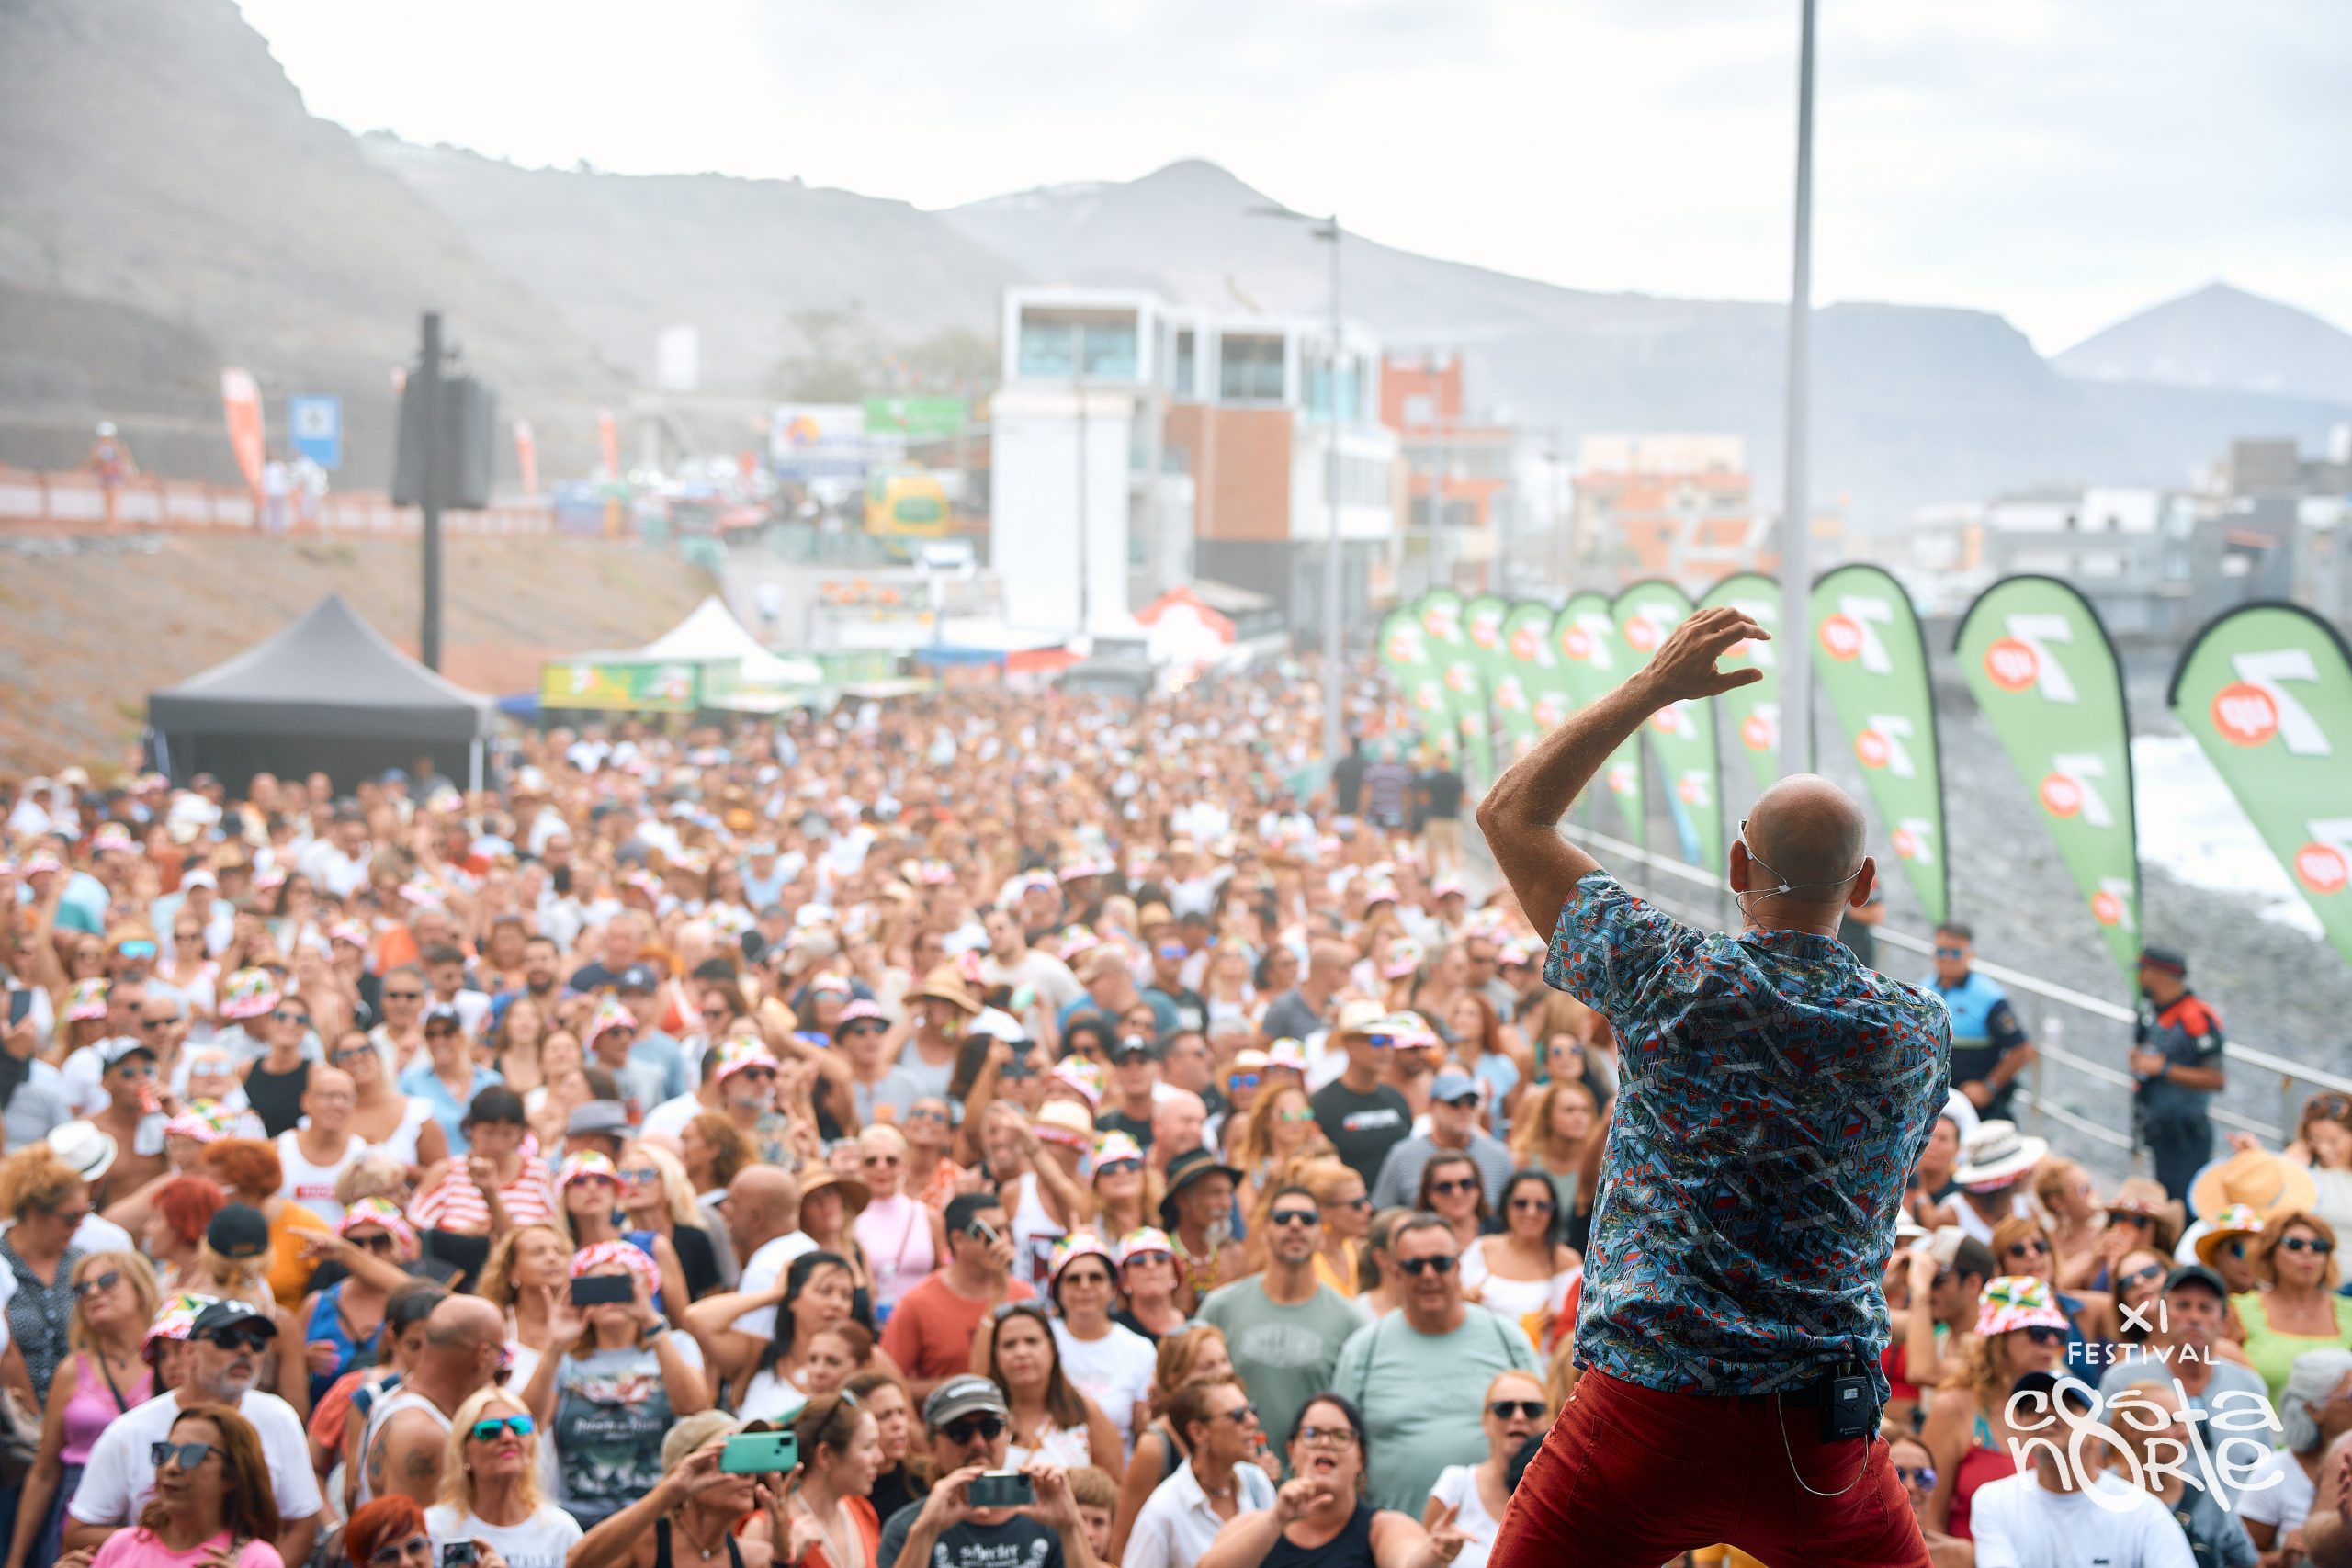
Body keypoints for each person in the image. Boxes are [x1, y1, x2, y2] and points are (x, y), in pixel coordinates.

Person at [1477, 605, 1950, 1568]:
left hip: (1644, 1414)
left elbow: (1511, 815)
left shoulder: (1666, 976)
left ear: (1737, 865)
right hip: (1817, 1439)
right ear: (1863, 884)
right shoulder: (1918, 1032)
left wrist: (1652, 688)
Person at [66, 1298, 322, 1567]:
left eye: (257, 1342)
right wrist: (162, 1551)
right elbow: (78, 1533)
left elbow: (302, 1526)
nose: (245, 1350)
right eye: (227, 1338)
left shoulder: (280, 1417)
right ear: (189, 1351)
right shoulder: (129, 1431)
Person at [1329, 1216, 1536, 1513]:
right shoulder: (1364, 1349)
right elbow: (1337, 1441)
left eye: (1440, 1263)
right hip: (1398, 1541)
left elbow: (1545, 1427)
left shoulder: (1508, 1339)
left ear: (1458, 1267)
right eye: (1415, 1265)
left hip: (1495, 1537)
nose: (1428, 1275)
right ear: (1396, 1272)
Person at [518, 1239, 712, 1527]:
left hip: (658, 1515)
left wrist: (651, 1324)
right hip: (579, 1517)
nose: (608, 1297)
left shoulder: (676, 1345)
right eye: (596, 1287)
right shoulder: (565, 1358)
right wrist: (555, 1346)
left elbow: (695, 1406)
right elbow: (526, 1424)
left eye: (619, 1284)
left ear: (645, 1287)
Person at [5, 1251, 161, 1568]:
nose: (92, 1292)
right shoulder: (72, 1371)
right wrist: (16, 1558)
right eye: (81, 1288)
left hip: (150, 1514)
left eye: (106, 1280)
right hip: (78, 1518)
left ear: (141, 1287)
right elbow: (45, 1471)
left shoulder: (168, 1363)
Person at [1192, 1393, 1468, 1568]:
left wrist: (1433, 1554)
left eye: (1340, 1435)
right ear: (1292, 1452)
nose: (1325, 1443)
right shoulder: (1255, 1525)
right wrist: (1277, 1519)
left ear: (1361, 1458)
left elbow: (1407, 1561)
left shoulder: (1382, 1528)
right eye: (1311, 1434)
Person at [1199, 1187, 1362, 1468]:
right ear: (1264, 1232)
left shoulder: (1349, 1320)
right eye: (1283, 1218)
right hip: (1235, 1480)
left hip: (1314, 1486)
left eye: (1307, 1219)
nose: (1295, 1225)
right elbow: (1196, 1395)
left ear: (1322, 1236)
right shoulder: (1220, 1307)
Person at [1964, 1372, 2194, 1566]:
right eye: (2031, 1407)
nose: (2043, 1412)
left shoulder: (2145, 1512)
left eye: (2064, 1405)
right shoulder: (1994, 1501)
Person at [874, 1374, 1101, 1568]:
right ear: (932, 1445)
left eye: (989, 1428)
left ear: (1007, 1434)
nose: (978, 1443)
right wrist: (925, 1533)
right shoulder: (910, 1528)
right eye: (960, 1432)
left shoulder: (1048, 1518)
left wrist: (1071, 1527)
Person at [1918, 1276, 2070, 1539]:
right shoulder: (1953, 1408)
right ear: (1999, 1338)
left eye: (2057, 1334)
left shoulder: (2065, 1408)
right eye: (2038, 1332)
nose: (2050, 1343)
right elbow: (1930, 1523)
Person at [68, 1402, 284, 1568]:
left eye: (193, 1455)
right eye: (166, 1452)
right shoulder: (121, 1546)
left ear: (232, 1475)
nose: (171, 1467)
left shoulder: (257, 1560)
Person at [563, 1408, 785, 1568]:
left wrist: (784, 1553)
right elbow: (576, 1563)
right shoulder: (644, 1545)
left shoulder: (755, 1558)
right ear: (688, 1468)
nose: (747, 1473)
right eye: (732, 1458)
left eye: (751, 1457)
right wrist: (669, 1492)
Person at [879, 1193, 1030, 1401]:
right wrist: (960, 1388)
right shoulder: (917, 1304)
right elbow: (886, 1381)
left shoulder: (1025, 1296)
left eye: (1007, 1230)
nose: (1003, 1241)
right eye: (993, 1233)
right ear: (959, 1240)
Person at [1122, 1377, 1276, 1568]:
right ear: (1198, 1432)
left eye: (1251, 1410)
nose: (1253, 1421)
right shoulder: (1164, 1511)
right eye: (1237, 1415)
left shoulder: (1257, 1482)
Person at [424, 1385, 583, 1568]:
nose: (508, 1437)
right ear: (464, 1452)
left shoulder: (561, 1531)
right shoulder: (435, 1529)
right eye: (489, 1430)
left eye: (520, 1426)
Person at [1039, 1236, 1157, 1456]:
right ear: (1057, 1291)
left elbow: (1143, 1431)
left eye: (1096, 1278)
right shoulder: (1039, 1338)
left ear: (1113, 1288)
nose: (1085, 1286)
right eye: (1073, 1279)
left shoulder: (1140, 1349)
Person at [0, 1142, 93, 1410]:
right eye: (70, 1217)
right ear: (32, 1213)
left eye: (86, 1213)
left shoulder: (82, 1263)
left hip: (81, 1416)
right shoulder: (2, 1266)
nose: (79, 1225)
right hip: (13, 1424)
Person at [2132, 945, 2226, 1204]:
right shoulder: (2157, 1011)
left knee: (2183, 1203)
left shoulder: (2195, 1018)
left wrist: (2162, 1069)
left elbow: (2216, 1079)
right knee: (2165, 1197)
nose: (2138, 978)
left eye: (2143, 971)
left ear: (2160, 976)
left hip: (2186, 1133)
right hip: (2160, 1127)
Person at [1422, 1373, 1547, 1568]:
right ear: (1485, 1421)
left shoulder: (1559, 1491)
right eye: (1504, 1409)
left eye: (1532, 1409)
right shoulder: (1456, 1484)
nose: (1519, 1417)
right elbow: (1422, 1558)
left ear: (1548, 1420)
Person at [981, 1301, 1121, 1475]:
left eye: (1032, 1341)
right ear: (995, 1356)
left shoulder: (1085, 1411)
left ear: (1052, 1348)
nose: (1021, 1352)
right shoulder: (980, 1417)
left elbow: (1115, 1489)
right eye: (1009, 1345)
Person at [2238, 1348, 2352, 1560]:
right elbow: (2240, 1558)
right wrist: (2283, 1557)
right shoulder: (2272, 1474)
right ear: (2315, 1410)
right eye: (2351, 1396)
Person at [2233, 1211, 2352, 1407]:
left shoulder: (2349, 1312)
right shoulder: (2238, 1310)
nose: (2307, 1252)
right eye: (2294, 1244)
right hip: (2259, 1434)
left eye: (2318, 1246)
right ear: (2270, 1252)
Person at [1457, 1173, 1577, 1356]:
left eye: (1542, 1206)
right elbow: (1450, 1303)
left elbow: (1581, 1327)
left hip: (1544, 1367)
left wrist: (1560, 1323)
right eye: (1521, 1204)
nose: (1531, 1212)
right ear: (1506, 1206)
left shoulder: (1569, 1262)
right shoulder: (1481, 1249)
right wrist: (1464, 1300)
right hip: (1484, 1357)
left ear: (1553, 1211)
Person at [1927, 924, 2035, 1121]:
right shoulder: (1924, 988)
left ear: (1970, 955)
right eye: (1941, 951)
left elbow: (2022, 1050)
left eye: (1955, 953)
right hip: (1933, 1098)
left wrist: (1989, 1087)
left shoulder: (1988, 997)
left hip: (1973, 1104)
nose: (1947, 958)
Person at [1367, 1072, 1510, 1213]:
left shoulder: (1498, 1155)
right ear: (1432, 1106)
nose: (1465, 1109)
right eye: (1455, 1102)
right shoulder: (1403, 1155)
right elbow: (1381, 1213)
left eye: (1472, 1102)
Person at [1307, 1007, 1412, 1190]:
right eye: (1377, 1041)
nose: (1386, 1050)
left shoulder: (1396, 1099)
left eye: (1390, 1041)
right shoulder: (1321, 1104)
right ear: (1350, 1045)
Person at [854, 1125, 946, 1320]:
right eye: (871, 1161)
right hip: (872, 1326)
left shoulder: (927, 1216)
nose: (881, 1167)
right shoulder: (850, 1221)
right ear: (859, 1166)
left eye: (891, 1160)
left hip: (923, 1323)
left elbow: (944, 1272)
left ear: (904, 1165)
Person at [783, 1392, 885, 1568]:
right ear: (825, 1455)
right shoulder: (768, 1527)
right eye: (868, 1447)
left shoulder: (863, 1511)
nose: (880, 1457)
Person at [842, 1371, 921, 1525]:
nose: (898, 1424)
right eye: (884, 1416)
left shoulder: (927, 1479)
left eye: (901, 1412)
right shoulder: (844, 1493)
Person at [1884, 1436, 1972, 1568]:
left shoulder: (1958, 1555)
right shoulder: (1854, 1553)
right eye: (1897, 1474)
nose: (1911, 1486)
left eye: (1923, 1476)